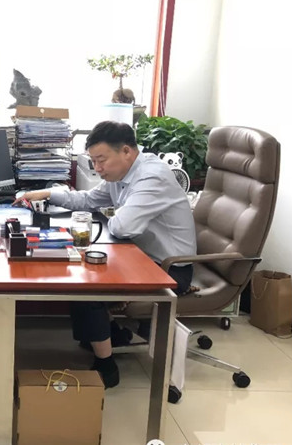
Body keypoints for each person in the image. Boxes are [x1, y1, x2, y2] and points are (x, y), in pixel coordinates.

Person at [16, 120, 196, 388]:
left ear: (126, 151)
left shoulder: (152, 177)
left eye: (101, 160)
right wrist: (45, 193)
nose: (97, 168)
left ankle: (106, 366)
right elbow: (88, 200)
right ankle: (107, 334)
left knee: (86, 286)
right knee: (78, 271)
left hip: (169, 268)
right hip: (139, 254)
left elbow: (122, 227)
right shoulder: (120, 175)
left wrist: (106, 215)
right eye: (93, 161)